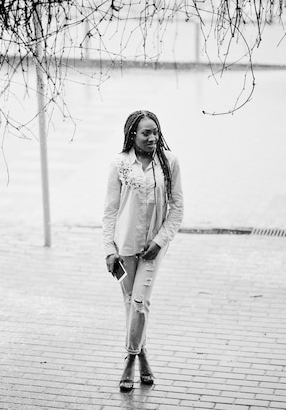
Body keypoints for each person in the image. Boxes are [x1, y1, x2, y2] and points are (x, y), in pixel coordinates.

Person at [102, 110, 184, 392]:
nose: (152, 137)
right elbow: (110, 211)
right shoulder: (120, 164)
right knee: (130, 304)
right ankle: (143, 356)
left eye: (155, 132)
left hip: (153, 248)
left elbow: (177, 210)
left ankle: (129, 360)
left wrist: (160, 240)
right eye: (146, 133)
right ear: (132, 135)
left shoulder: (169, 162)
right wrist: (108, 250)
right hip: (123, 247)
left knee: (139, 302)